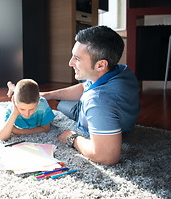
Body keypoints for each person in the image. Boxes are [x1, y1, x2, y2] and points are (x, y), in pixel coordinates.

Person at [41, 26, 140, 166]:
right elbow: (85, 86)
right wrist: (49, 94)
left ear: (100, 65)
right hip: (115, 115)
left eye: (77, 59)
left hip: (94, 113)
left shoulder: (98, 101)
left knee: (61, 105)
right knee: (60, 100)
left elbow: (107, 156)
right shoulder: (121, 70)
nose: (70, 63)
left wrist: (72, 138)